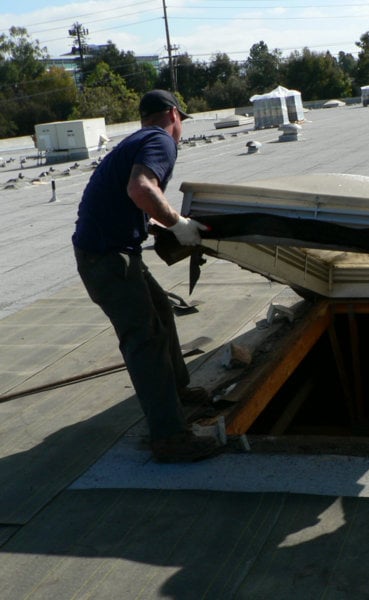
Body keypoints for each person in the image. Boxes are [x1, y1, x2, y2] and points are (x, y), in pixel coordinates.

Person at [73, 89, 219, 463]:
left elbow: (127, 200)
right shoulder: (160, 140)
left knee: (160, 311)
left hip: (108, 252)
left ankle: (177, 392)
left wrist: (158, 225)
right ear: (173, 115)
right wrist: (179, 223)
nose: (180, 128)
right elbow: (140, 188)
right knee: (145, 340)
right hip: (108, 259)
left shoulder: (136, 139)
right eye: (181, 121)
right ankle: (170, 437)